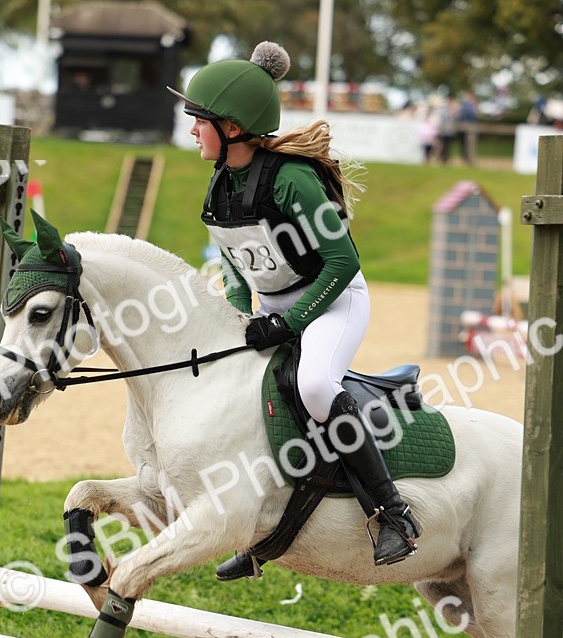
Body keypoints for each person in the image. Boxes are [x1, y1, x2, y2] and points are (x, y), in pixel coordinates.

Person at [168, 41, 421, 577]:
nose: (192, 129)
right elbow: (235, 264)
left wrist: (288, 321)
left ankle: (391, 512)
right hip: (278, 305)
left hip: (333, 300)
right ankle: (258, 526)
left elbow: (343, 262)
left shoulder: (291, 180)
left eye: (199, 120)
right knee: (242, 388)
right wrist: (238, 320)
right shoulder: (220, 185)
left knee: (312, 387)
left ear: (232, 128)